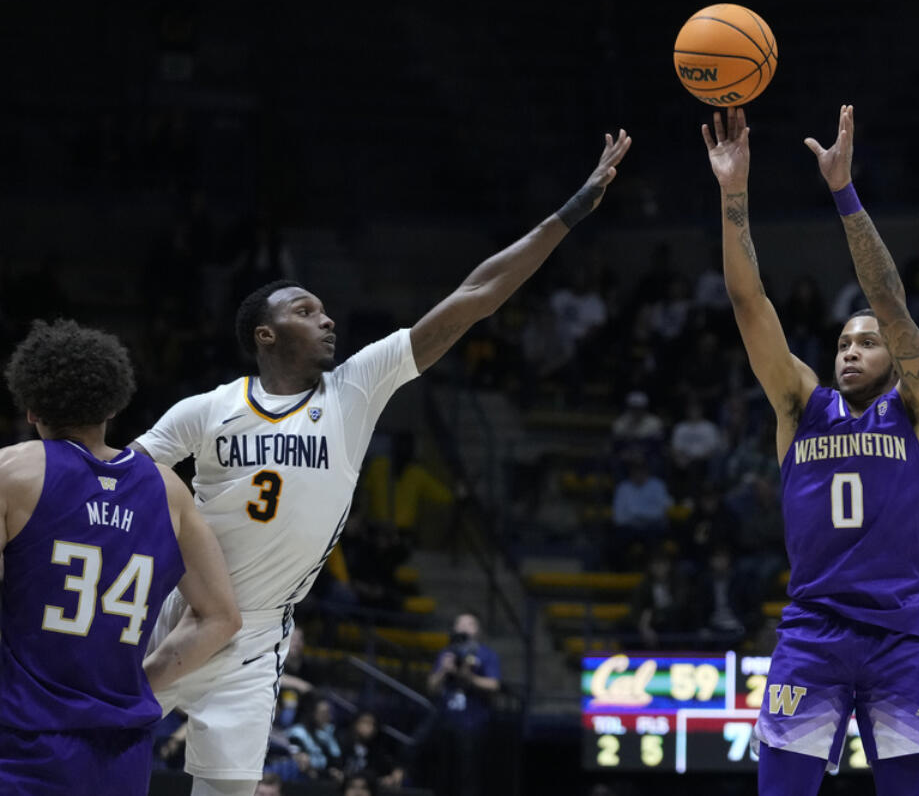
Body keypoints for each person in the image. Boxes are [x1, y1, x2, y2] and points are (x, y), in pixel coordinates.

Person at [130, 129, 632, 795]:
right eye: (307, 311)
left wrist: (569, 212)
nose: (328, 319)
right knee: (86, 761)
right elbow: (116, 480)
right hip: (183, 615)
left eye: (326, 309)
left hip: (256, 647)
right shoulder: (207, 408)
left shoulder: (355, 389)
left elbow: (475, 295)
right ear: (266, 333)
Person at [704, 105, 919, 796]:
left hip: (900, 637)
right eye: (843, 341)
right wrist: (734, 193)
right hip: (812, 633)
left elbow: (890, 300)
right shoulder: (801, 405)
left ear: (895, 356)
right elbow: (749, 302)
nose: (850, 349)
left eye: (865, 342)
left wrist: (843, 192)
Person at [0, 320, 241, 794]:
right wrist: (140, 685)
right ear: (113, 403)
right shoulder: (169, 490)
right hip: (121, 755)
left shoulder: (11, 472)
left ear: (31, 409)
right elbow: (222, 618)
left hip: (21, 743)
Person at [426, 612, 501, 796]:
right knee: (442, 776)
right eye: (459, 623)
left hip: (472, 725)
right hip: (445, 723)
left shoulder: (486, 655)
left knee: (468, 778)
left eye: (470, 624)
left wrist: (469, 677)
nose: (464, 628)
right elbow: (431, 687)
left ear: (478, 630)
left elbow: (494, 685)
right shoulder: (446, 653)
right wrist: (444, 670)